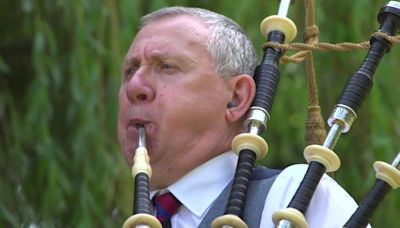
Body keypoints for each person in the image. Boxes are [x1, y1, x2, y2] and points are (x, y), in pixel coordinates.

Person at [117, 6, 364, 228]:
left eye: (166, 66)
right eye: (130, 71)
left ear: (236, 98)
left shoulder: (292, 198)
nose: (134, 86)